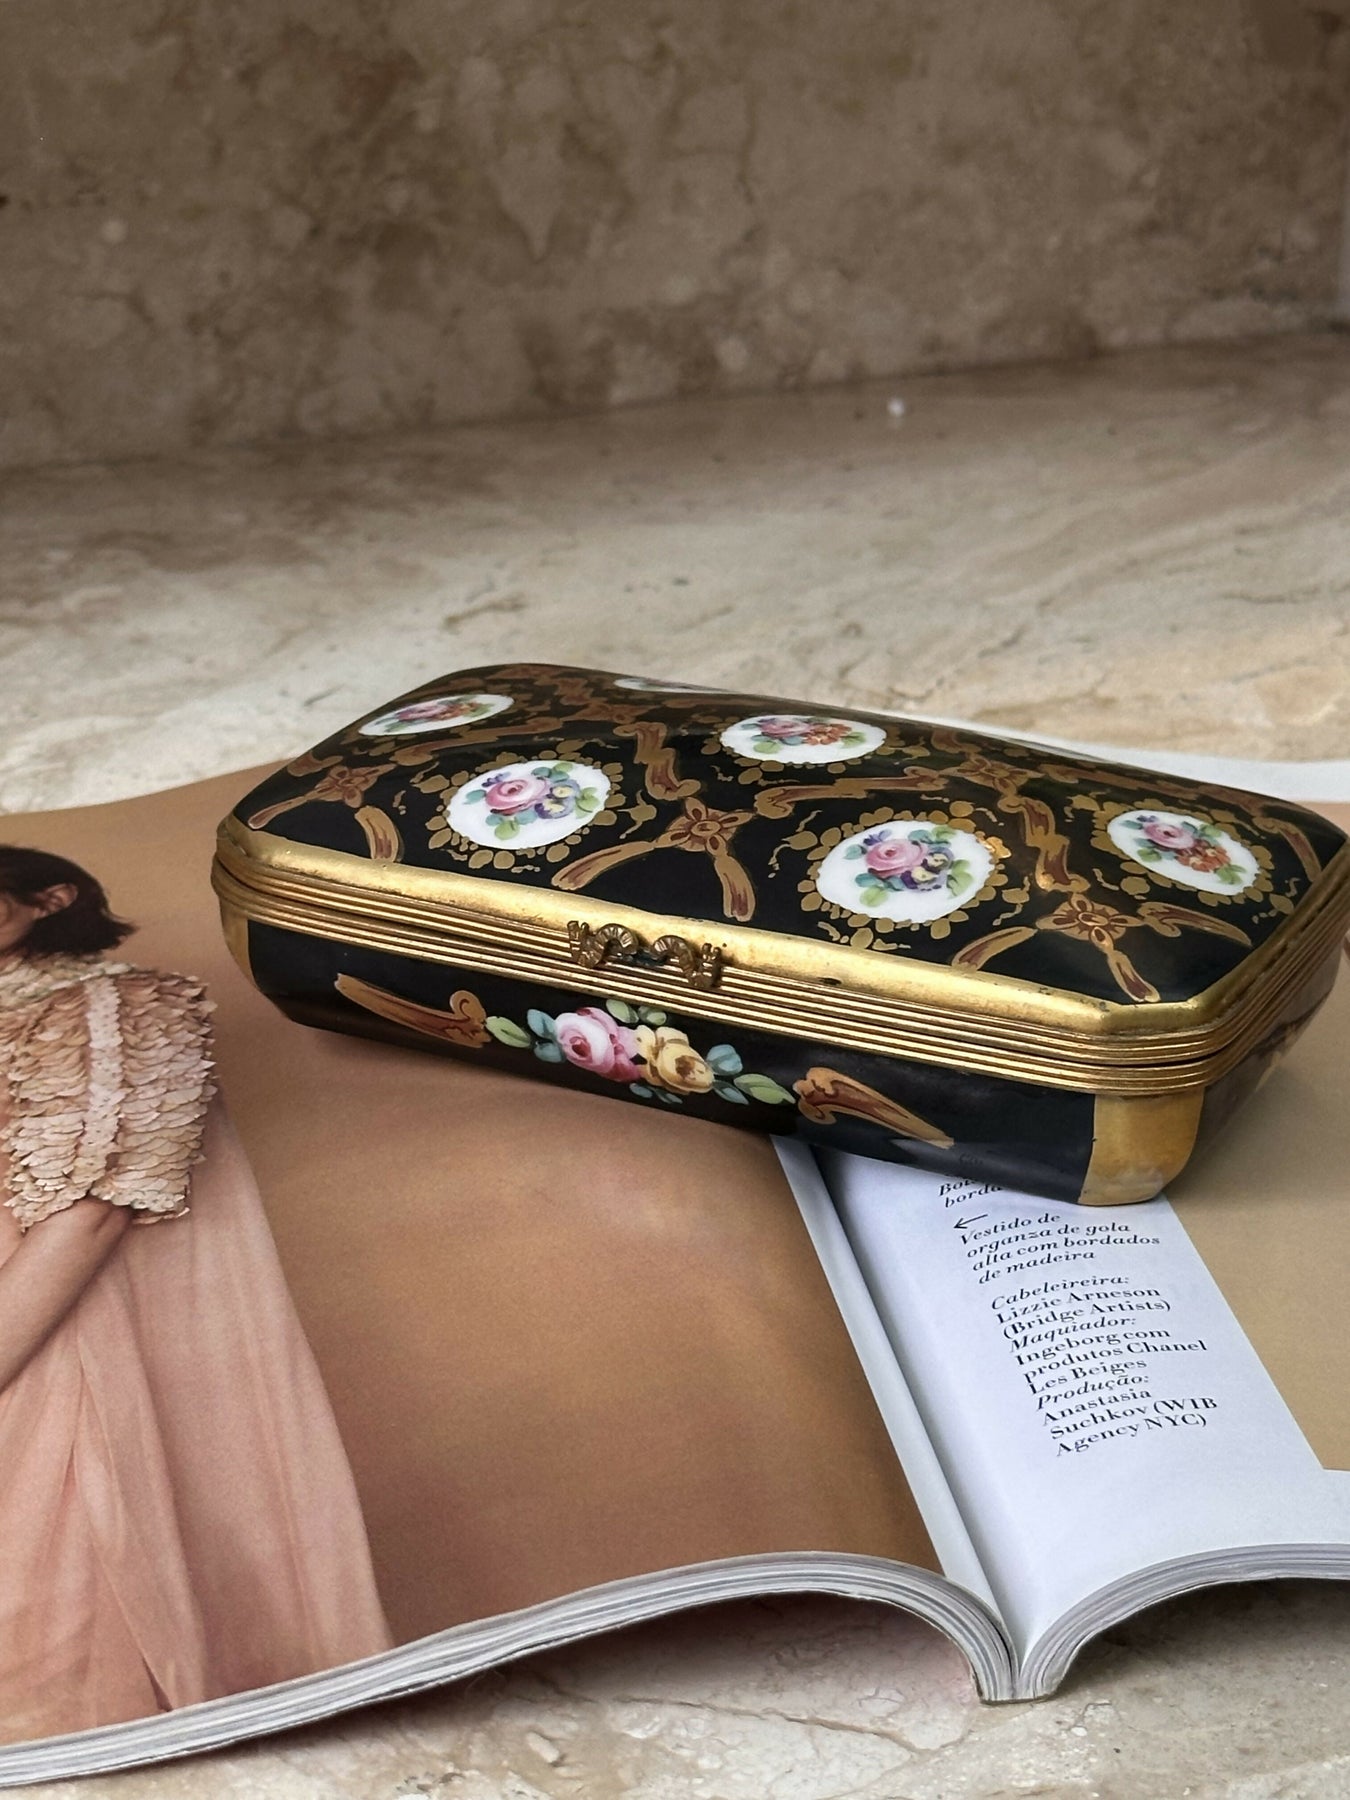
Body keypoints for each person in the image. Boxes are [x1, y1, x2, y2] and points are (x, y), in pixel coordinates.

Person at [0, 847, 392, 1745]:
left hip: (51, 1342)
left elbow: (91, 1213)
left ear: (49, 899)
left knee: (60, 1671)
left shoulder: (110, 1006)